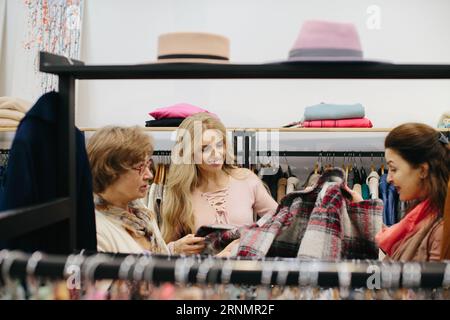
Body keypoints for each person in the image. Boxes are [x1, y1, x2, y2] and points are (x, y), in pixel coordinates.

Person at [161, 113, 278, 253]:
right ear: (190, 154)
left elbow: (280, 223)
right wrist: (174, 248)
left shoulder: (246, 180)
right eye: (204, 148)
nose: (215, 154)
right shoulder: (182, 192)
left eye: (219, 145)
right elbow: (160, 250)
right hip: (203, 272)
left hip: (245, 270)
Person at [87, 126, 205, 255]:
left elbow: (157, 261)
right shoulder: (95, 230)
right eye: (140, 167)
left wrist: (173, 250)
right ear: (111, 171)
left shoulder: (142, 214)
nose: (149, 175)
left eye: (148, 165)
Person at [346, 123, 449, 261]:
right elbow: (395, 242)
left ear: (422, 170)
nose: (388, 179)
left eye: (393, 169)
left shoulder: (441, 229)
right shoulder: (420, 215)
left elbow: (434, 281)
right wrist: (361, 204)